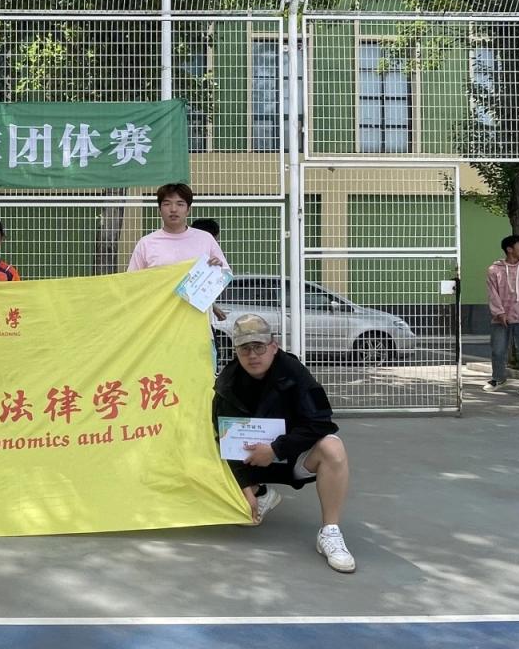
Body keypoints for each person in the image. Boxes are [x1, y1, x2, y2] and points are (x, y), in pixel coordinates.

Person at [212, 313, 356, 574]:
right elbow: (222, 437)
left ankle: (330, 532)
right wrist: (243, 485)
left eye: (259, 347)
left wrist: (276, 449)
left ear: (274, 346)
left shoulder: (294, 372)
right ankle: (260, 493)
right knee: (205, 453)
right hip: (250, 461)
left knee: (333, 447)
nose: (252, 355)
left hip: (293, 456)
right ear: (236, 352)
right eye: (245, 348)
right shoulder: (226, 383)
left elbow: (321, 422)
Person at [127, 183, 229, 273]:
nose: (173, 209)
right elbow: (132, 280)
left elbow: (225, 274)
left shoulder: (205, 239)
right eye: (167, 204)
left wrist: (218, 269)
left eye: (180, 204)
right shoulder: (146, 243)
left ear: (188, 210)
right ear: (159, 210)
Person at [484, 234, 519, 392]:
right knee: (498, 350)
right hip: (500, 318)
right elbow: (492, 293)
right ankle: (498, 379)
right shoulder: (494, 270)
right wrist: (499, 313)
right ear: (509, 249)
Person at [189, 217, 227, 322]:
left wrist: (213, 307)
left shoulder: (214, 259)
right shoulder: (191, 258)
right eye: (215, 239)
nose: (216, 243)